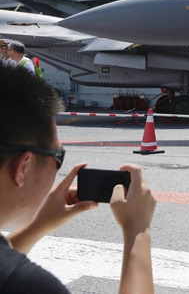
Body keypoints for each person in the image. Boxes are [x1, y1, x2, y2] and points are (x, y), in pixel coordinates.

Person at [0, 64, 157, 293]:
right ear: (23, 167)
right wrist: (138, 230)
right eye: (57, 156)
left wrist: (38, 226)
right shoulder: (27, 284)